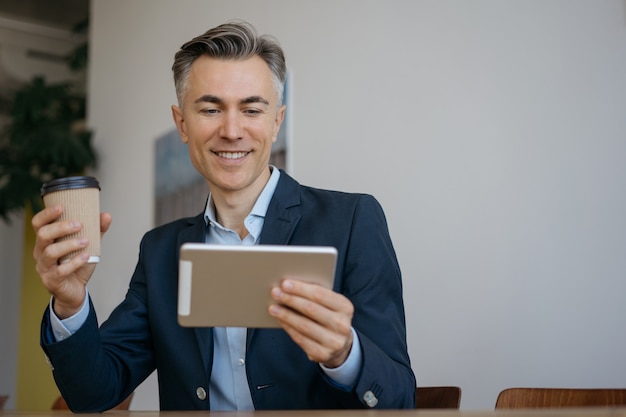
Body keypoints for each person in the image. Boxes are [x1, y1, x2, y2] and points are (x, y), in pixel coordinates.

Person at [33, 20, 416, 411]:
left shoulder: (352, 220)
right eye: (211, 109)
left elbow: (400, 395)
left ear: (276, 121)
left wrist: (345, 354)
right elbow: (93, 395)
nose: (232, 130)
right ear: (182, 123)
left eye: (251, 109)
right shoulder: (160, 251)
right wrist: (70, 303)